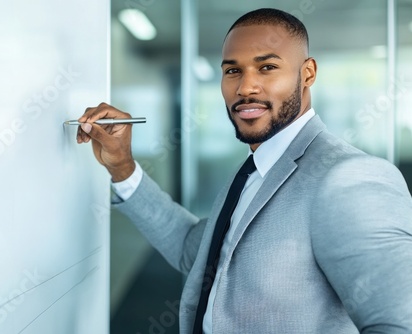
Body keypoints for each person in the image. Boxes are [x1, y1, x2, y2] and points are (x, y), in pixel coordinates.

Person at [76, 8, 412, 334]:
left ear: (307, 73)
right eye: (233, 71)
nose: (245, 87)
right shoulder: (253, 171)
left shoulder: (349, 178)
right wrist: (122, 166)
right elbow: (193, 249)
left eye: (267, 67)